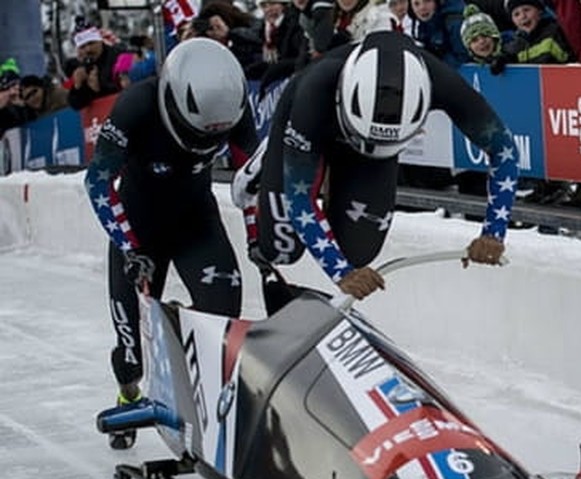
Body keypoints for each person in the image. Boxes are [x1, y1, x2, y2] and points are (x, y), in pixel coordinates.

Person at [234, 30, 517, 304]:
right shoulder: (315, 88)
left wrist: (494, 230)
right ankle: (265, 159)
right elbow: (300, 199)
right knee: (281, 249)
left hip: (375, 154)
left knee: (358, 252)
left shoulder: (442, 83)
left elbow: (504, 150)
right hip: (309, 127)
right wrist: (340, 273)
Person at [83, 38, 260, 449]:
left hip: (195, 223)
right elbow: (97, 181)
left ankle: (214, 407)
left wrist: (257, 238)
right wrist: (128, 245)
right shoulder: (136, 106)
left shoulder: (235, 104)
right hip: (140, 232)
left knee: (221, 321)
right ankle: (128, 393)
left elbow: (252, 179)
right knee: (132, 357)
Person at [65, 22, 128, 110]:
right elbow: (75, 104)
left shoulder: (120, 56)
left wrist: (99, 89)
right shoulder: (84, 66)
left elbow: (129, 88)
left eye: (91, 43)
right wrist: (77, 87)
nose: (88, 49)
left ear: (100, 41)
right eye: (83, 47)